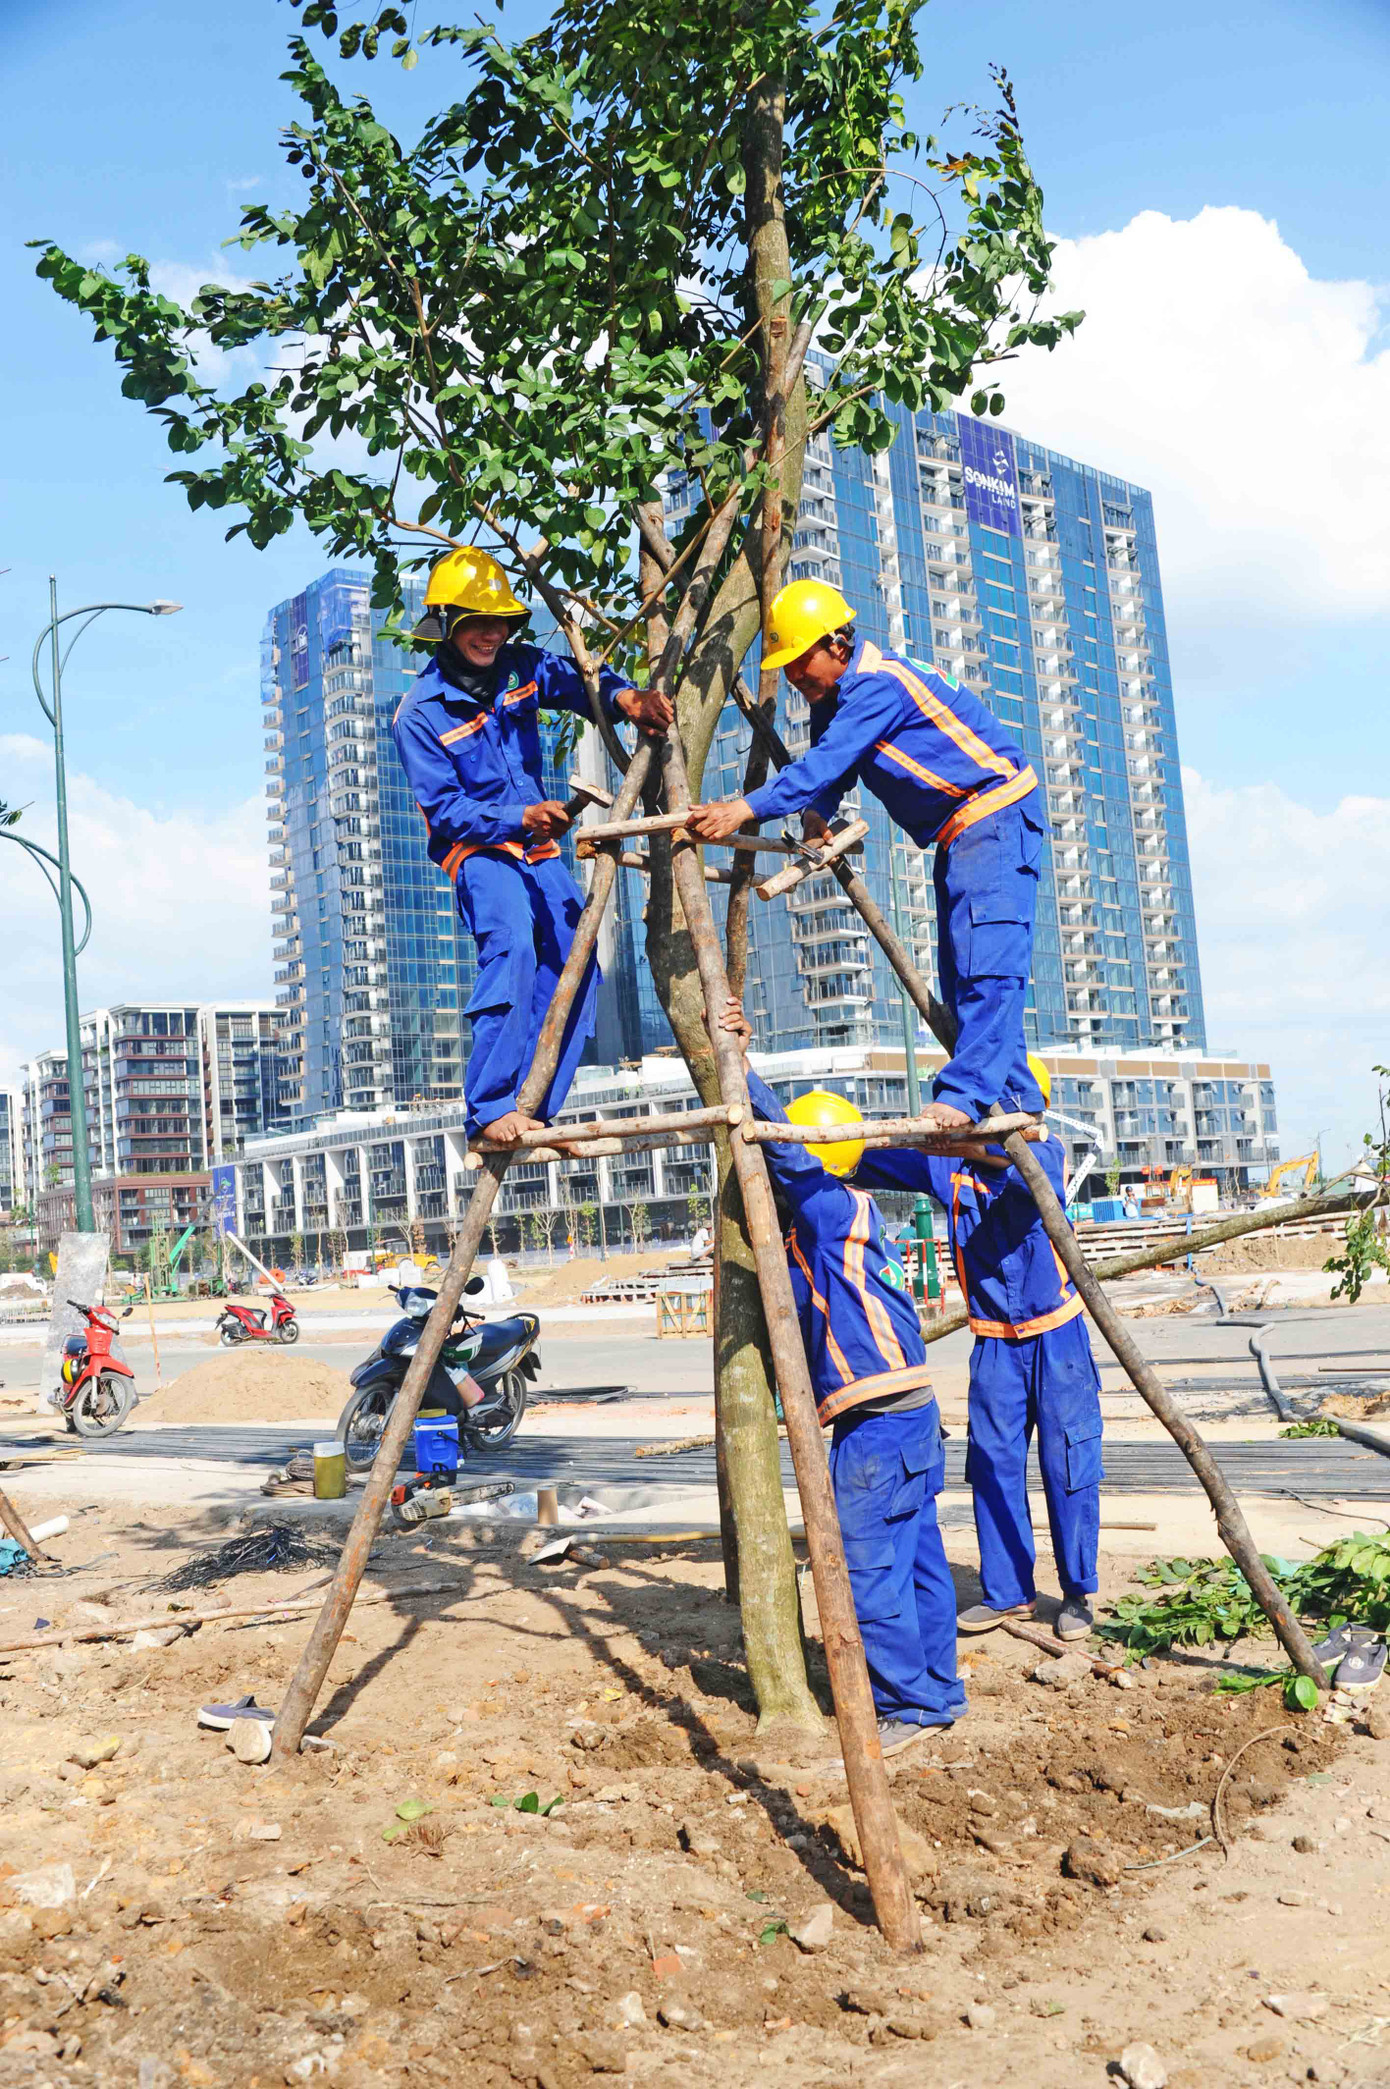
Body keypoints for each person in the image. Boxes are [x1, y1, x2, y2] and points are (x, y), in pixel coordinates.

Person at [686, 579, 1044, 1132]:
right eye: (787, 667)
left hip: (993, 818)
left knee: (988, 965)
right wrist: (815, 814)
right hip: (961, 832)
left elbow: (821, 767)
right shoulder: (837, 700)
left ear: (836, 644)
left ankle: (970, 1094)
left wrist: (742, 809)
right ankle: (1014, 1102)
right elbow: (832, 769)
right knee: (962, 972)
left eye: (800, 661)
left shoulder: (878, 685)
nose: (794, 677)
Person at [720, 1000, 964, 1751]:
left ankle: (910, 1704)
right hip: (913, 1405)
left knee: (869, 1569)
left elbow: (787, 1153)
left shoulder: (824, 1208)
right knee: (920, 1552)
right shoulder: (860, 1210)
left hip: (876, 1419)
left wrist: (741, 1061)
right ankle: (939, 1687)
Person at [393, 549, 671, 1145]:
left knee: (577, 960)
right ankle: (490, 1108)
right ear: (445, 624)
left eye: (501, 622)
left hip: (536, 846)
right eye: (477, 621)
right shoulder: (418, 714)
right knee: (515, 945)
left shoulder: (521, 667)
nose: (493, 634)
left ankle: (534, 1108)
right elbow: (446, 812)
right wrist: (520, 817)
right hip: (477, 851)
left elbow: (574, 681)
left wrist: (627, 701)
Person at [851, 1058, 1103, 1641]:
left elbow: (1014, 1160)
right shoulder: (953, 1172)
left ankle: (1076, 1593)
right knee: (993, 1466)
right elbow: (871, 1154)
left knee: (1069, 1463)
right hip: (994, 1346)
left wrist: (956, 1139)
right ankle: (1008, 1593)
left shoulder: (1045, 1154)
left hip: (1058, 1337)